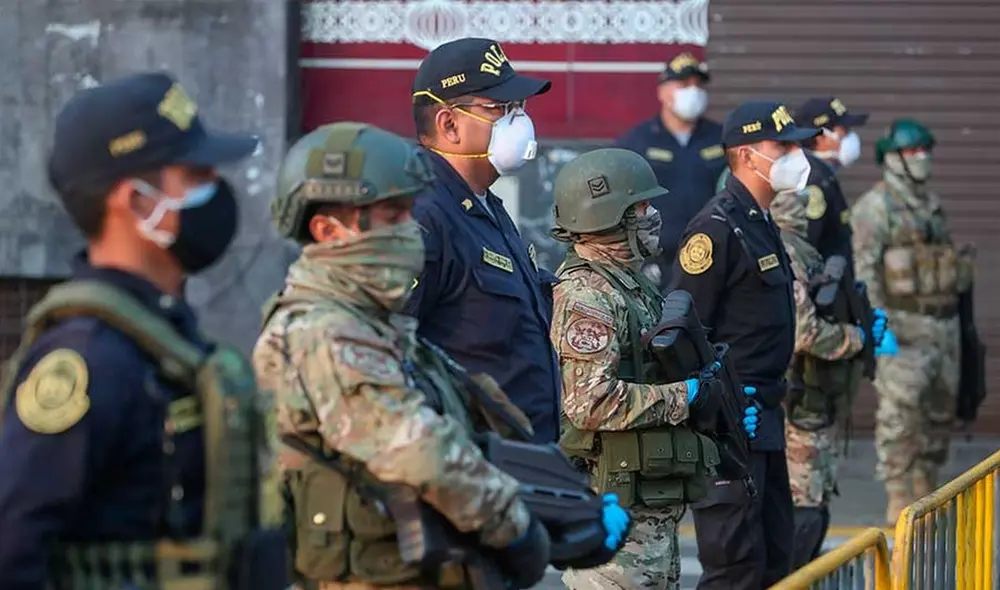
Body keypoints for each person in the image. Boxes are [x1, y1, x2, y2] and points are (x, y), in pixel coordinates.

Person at [0, 72, 282, 589]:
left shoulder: (164, 337)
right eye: (196, 174)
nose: (217, 191)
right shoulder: (89, 359)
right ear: (135, 202)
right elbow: (12, 546)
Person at [255, 122, 556, 590]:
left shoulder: (378, 325)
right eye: (391, 216)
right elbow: (419, 452)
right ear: (327, 229)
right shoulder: (324, 331)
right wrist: (516, 527)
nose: (409, 232)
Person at [549, 147, 758, 590]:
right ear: (609, 216)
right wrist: (688, 396)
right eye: (642, 207)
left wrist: (721, 403)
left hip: (651, 514)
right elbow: (591, 402)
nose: (653, 215)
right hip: (617, 519)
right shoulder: (588, 295)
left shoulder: (635, 284)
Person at [668, 101, 818, 589]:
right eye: (784, 146)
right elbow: (683, 333)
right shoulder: (716, 228)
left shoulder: (759, 220)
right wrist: (713, 410)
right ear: (748, 156)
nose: (797, 155)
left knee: (775, 559)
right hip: (731, 425)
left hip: (767, 417)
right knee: (734, 567)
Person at [405, 37, 562, 443]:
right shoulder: (423, 216)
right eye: (498, 109)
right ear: (448, 124)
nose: (518, 120)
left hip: (522, 463)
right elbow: (388, 357)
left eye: (519, 107)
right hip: (473, 470)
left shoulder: (483, 204)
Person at [851, 119, 973, 524]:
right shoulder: (876, 206)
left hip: (942, 327)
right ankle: (899, 498)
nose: (923, 158)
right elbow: (864, 272)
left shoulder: (930, 204)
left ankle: (926, 493)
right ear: (893, 157)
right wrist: (877, 323)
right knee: (900, 418)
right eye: (914, 151)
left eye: (926, 150)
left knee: (939, 415)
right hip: (903, 329)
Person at [768, 187, 896, 569]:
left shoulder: (795, 247)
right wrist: (855, 338)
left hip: (810, 395)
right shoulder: (785, 250)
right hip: (796, 397)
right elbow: (803, 333)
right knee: (803, 497)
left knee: (813, 497)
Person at [616, 51, 726, 288]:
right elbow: (620, 204)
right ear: (662, 92)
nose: (693, 92)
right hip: (657, 264)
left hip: (712, 257)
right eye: (684, 85)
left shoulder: (720, 139)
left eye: (698, 85)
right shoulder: (638, 141)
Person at [793, 97, 870, 262]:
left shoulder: (824, 175)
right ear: (820, 137)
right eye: (844, 130)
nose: (851, 137)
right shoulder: (812, 180)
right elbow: (808, 246)